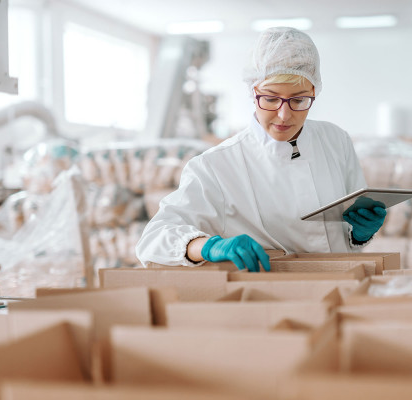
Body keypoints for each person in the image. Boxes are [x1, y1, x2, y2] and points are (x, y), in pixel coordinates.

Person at [136, 27, 386, 272]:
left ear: (314, 92)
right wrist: (207, 246)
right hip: (271, 297)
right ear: (252, 91)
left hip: (345, 283)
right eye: (270, 98)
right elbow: (153, 239)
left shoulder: (335, 140)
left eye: (298, 100)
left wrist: (361, 234)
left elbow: (349, 232)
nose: (284, 114)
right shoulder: (215, 165)